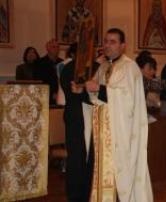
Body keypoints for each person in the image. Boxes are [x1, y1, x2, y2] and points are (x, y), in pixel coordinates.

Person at [84, 28, 153, 202]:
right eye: (106, 41)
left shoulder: (129, 67)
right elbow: (96, 95)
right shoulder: (104, 65)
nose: (107, 45)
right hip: (102, 128)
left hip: (120, 131)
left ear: (123, 46)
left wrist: (98, 89)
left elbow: (126, 99)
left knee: (119, 171)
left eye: (113, 41)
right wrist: (83, 89)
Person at [60, 43, 98, 202]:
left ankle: (82, 193)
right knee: (78, 158)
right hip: (78, 116)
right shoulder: (71, 69)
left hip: (83, 115)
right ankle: (78, 195)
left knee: (85, 157)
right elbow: (75, 93)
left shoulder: (93, 67)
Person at [33, 39, 63, 105]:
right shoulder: (39, 63)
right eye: (53, 47)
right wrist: (51, 93)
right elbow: (39, 82)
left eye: (58, 47)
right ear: (47, 48)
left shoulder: (62, 63)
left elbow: (64, 79)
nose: (56, 49)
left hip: (61, 96)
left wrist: (59, 93)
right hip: (45, 96)